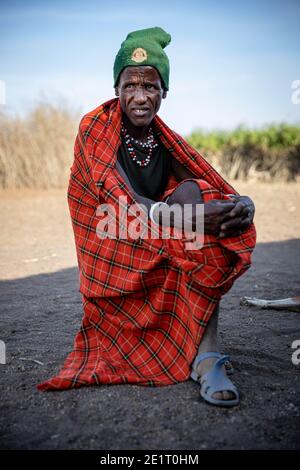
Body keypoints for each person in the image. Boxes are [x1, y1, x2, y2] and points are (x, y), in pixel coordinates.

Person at [37, 27, 256, 407]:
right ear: (117, 89)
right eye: (130, 86)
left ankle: (206, 358)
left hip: (155, 228)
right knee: (193, 218)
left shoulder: (162, 138)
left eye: (151, 86)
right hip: (111, 236)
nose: (140, 97)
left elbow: (205, 184)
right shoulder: (96, 128)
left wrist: (238, 205)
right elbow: (115, 199)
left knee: (206, 204)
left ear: (164, 92)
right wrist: (188, 218)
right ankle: (187, 349)